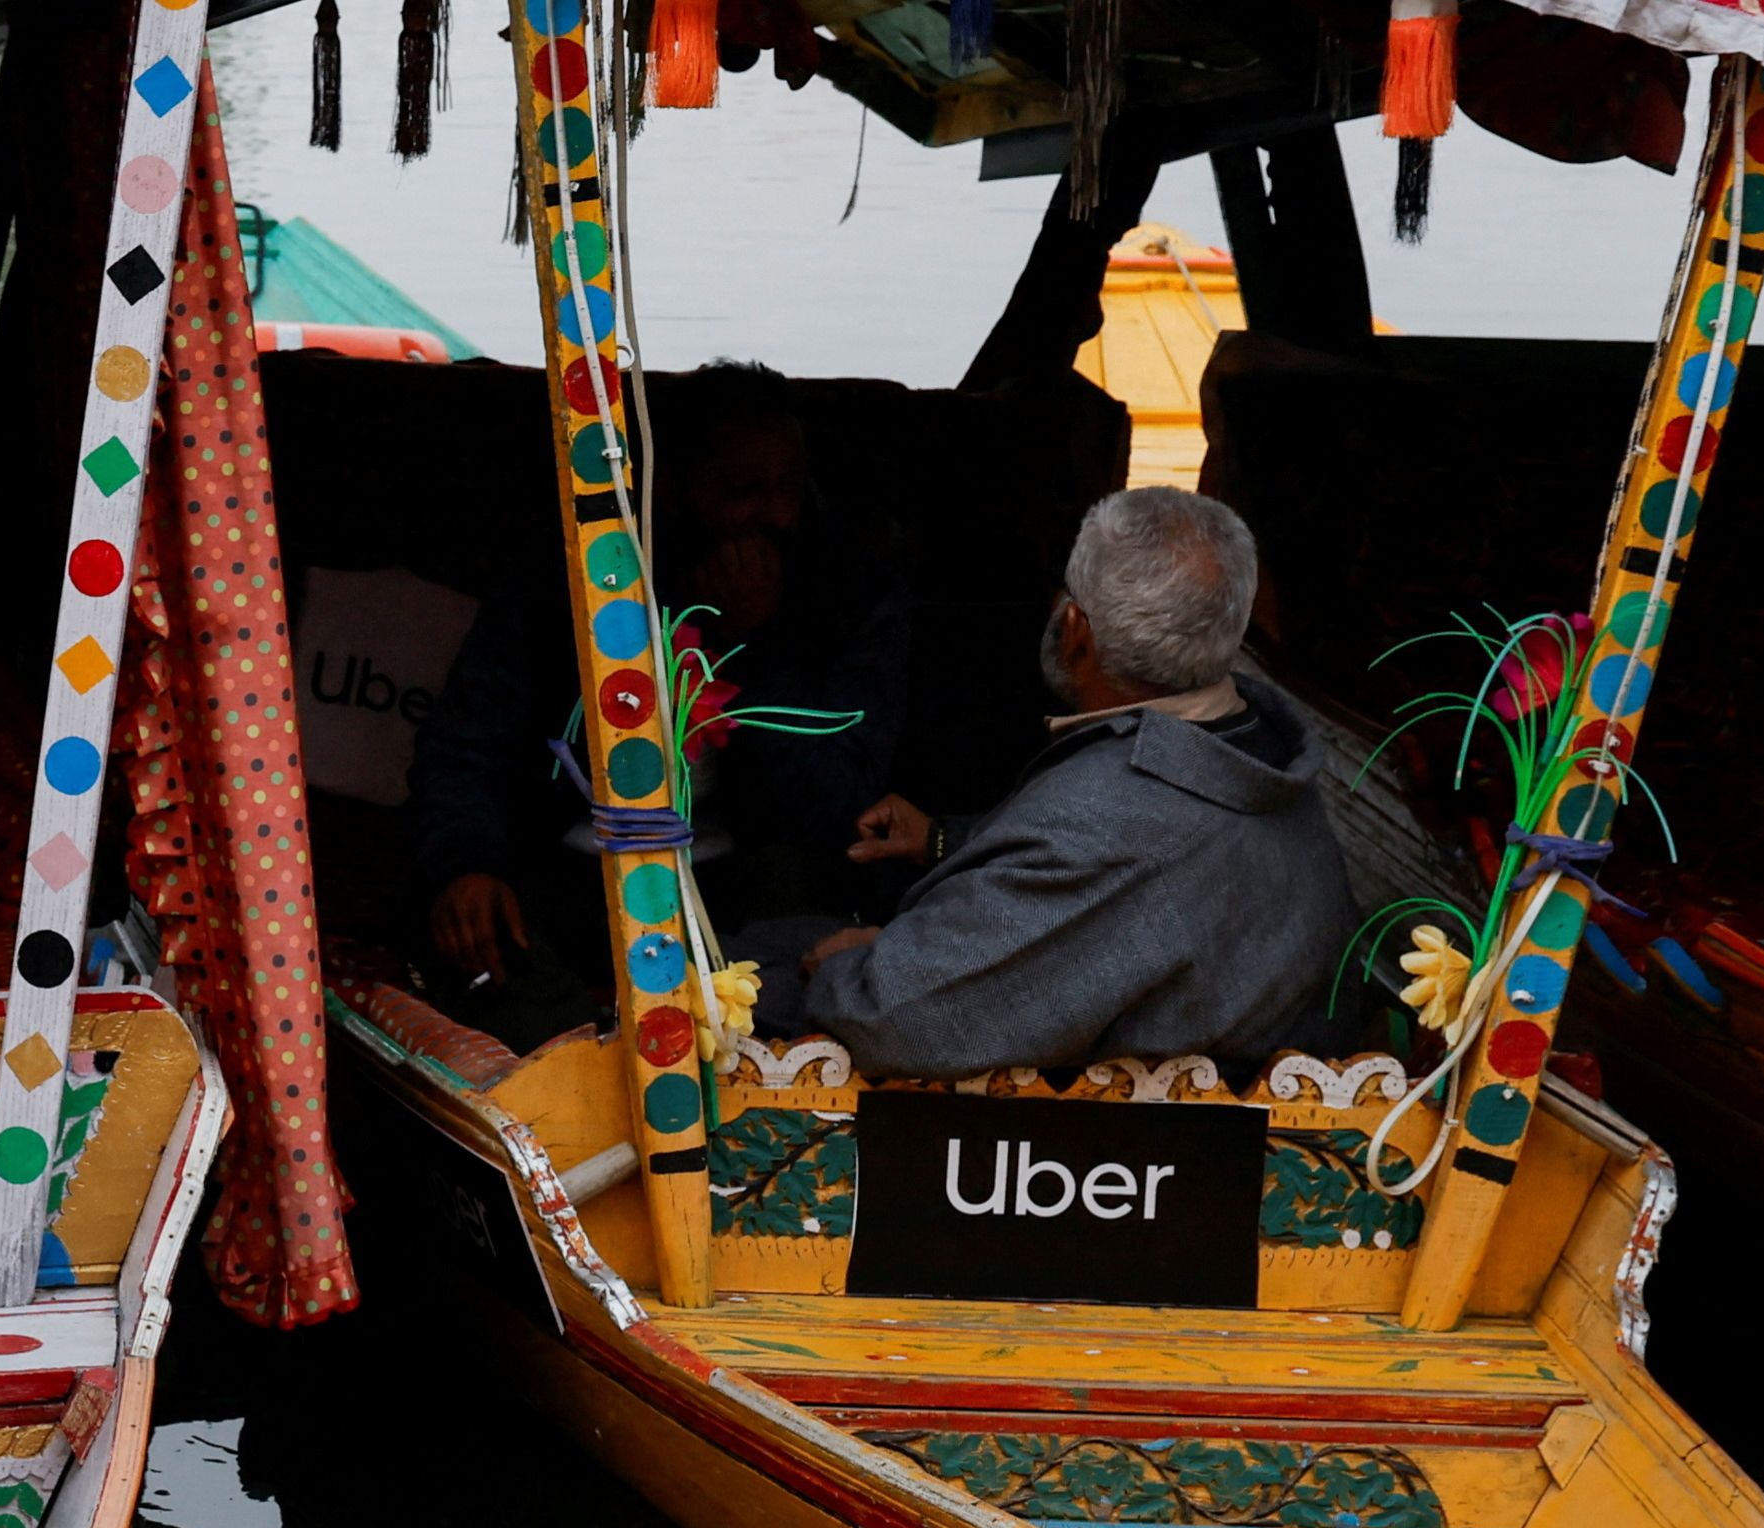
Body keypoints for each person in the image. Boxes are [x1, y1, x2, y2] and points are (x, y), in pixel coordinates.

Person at [763, 484, 1352, 1077]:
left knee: (763, 960)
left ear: (1074, 629)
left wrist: (843, 971)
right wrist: (948, 840)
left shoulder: (1108, 815)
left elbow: (893, 1020)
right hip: (1220, 1092)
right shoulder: (1260, 740)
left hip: (1120, 1131)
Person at [409, 365, 913, 1037]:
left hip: (751, 885)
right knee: (486, 954)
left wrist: (753, 645)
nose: (773, 514)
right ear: (673, 487)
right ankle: (594, 1057)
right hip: (576, 871)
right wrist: (466, 864)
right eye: (742, 490)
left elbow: (834, 806)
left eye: (788, 488)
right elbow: (470, 739)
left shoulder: (845, 592)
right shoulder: (573, 572)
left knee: (821, 955)